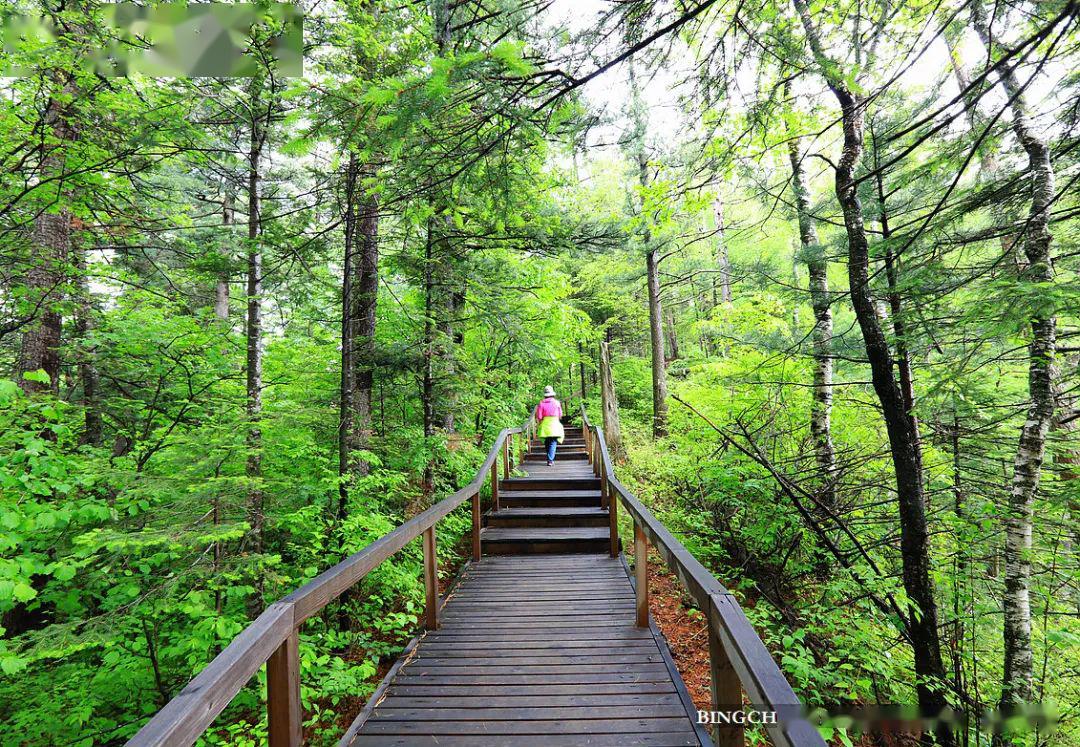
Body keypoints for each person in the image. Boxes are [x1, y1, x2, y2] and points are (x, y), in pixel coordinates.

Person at [534, 385, 564, 466]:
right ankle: (550, 460)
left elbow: (539, 417)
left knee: (547, 442)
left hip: (545, 424)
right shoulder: (557, 403)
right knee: (553, 442)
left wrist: (539, 423)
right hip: (555, 424)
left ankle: (549, 458)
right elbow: (560, 415)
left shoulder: (541, 403)